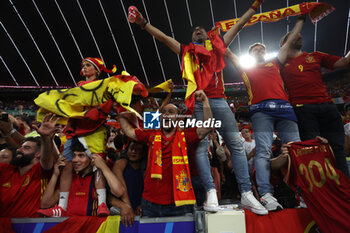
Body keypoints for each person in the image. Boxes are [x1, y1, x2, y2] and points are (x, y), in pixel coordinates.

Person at [130, 0, 267, 214]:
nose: (197, 31)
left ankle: (246, 193)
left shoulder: (218, 48)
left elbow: (238, 26)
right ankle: (211, 191)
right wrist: (143, 23)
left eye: (201, 30)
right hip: (197, 102)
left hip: (219, 101)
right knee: (202, 147)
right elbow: (164, 38)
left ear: (208, 35)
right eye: (194, 31)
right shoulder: (186, 52)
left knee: (236, 145)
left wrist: (254, 7)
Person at [225, 15, 306, 211]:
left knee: (298, 151)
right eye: (255, 49)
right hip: (261, 112)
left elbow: (290, 40)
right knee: (262, 152)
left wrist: (301, 20)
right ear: (251, 54)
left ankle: (304, 194)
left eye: (262, 49)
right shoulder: (245, 69)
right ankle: (266, 194)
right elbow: (226, 51)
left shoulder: (275, 62)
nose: (260, 50)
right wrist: (215, 38)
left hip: (285, 110)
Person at [119, 90, 213, 217]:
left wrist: (205, 101)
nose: (166, 114)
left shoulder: (186, 136)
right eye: (163, 112)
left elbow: (208, 126)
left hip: (179, 203)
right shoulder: (151, 135)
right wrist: (120, 113)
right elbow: (129, 131)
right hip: (150, 203)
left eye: (171, 112)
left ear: (178, 117)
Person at [47, 57, 117, 217]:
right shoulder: (78, 87)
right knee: (66, 166)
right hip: (75, 129)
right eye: (83, 65)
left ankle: (102, 204)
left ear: (97, 70)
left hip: (95, 129)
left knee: (97, 165)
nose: (84, 68)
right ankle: (62, 207)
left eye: (88, 65)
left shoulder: (104, 87)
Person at [280, 20, 350, 177]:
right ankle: (320, 190)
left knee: (338, 147)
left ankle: (344, 188)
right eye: (292, 35)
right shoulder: (279, 63)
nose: (298, 35)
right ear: (285, 43)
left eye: (299, 34)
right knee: (312, 149)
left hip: (327, 106)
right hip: (303, 109)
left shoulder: (316, 56)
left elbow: (344, 62)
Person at [38, 139, 125, 217]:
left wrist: (103, 166)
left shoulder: (99, 180)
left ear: (92, 159)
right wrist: (55, 175)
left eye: (81, 156)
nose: (75, 160)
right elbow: (45, 204)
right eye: (74, 156)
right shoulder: (68, 180)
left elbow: (119, 191)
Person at [0, 113, 59, 217]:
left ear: (38, 154)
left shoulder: (40, 172)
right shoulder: (6, 170)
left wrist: (45, 138)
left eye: (26, 148)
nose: (19, 149)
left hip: (32, 228)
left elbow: (46, 159)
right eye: (21, 147)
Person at [109, 141, 146, 227]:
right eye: (131, 148)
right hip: (122, 219)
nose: (133, 151)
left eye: (138, 149)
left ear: (143, 153)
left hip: (140, 219)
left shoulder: (145, 173)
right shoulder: (120, 170)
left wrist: (143, 206)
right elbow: (109, 197)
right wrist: (123, 206)